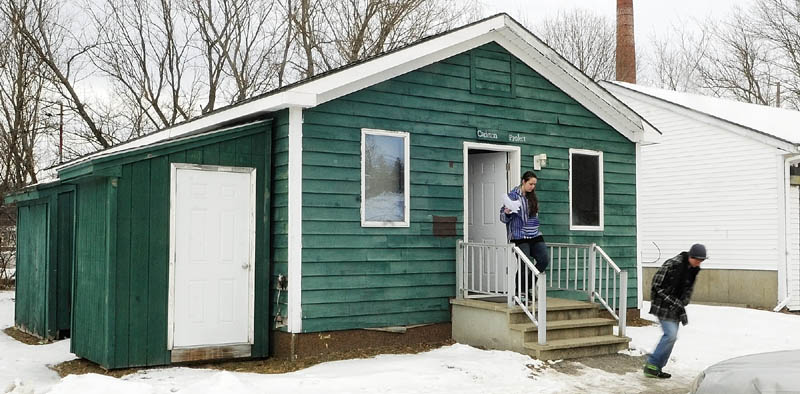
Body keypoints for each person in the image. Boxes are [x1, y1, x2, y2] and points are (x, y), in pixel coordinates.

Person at [644, 243, 706, 379]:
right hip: (662, 305)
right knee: (670, 335)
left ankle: (657, 368)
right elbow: (656, 284)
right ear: (691, 256)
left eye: (701, 261)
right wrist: (672, 301)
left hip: (676, 308)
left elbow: (688, 289)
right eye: (697, 260)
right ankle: (652, 364)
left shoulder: (693, 269)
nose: (699, 263)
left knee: (672, 338)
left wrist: (684, 302)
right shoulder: (673, 264)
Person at [499, 171, 549, 300]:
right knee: (524, 263)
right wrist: (508, 212)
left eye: (534, 184)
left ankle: (526, 287)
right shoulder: (512, 196)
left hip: (535, 234)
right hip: (519, 235)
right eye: (530, 184)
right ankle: (520, 292)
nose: (532, 187)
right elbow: (503, 218)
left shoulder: (533, 197)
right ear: (523, 181)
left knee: (543, 260)